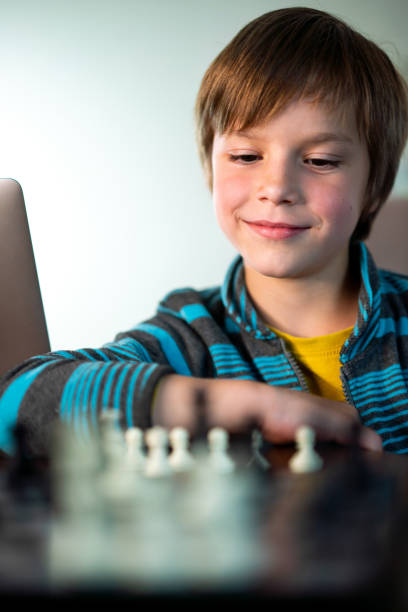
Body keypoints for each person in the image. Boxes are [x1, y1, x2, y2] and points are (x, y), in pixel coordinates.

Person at [1, 7, 407, 457]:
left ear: (374, 186)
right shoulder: (190, 335)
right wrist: (229, 403)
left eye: (321, 161)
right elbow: (15, 401)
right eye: (246, 156)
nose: (276, 189)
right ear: (211, 169)